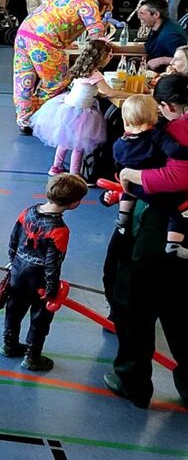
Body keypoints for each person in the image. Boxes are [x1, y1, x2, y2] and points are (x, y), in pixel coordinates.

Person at [101, 78, 188, 409]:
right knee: (179, 307)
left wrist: (132, 177)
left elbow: (177, 176)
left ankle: (132, 380)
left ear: (166, 108)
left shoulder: (176, 132)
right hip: (179, 225)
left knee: (135, 303)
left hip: (157, 222)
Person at [0, 173, 88, 371]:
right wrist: (51, 290)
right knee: (39, 320)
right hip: (38, 280)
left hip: (18, 272)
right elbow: (52, 263)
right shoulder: (60, 230)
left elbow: (14, 239)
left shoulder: (27, 212)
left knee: (13, 311)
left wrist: (12, 262)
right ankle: (32, 357)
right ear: (74, 203)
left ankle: (9, 345)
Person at [14, 0, 115, 133]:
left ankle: (23, 118)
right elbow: (96, 35)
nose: (111, 3)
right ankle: (37, 117)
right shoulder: (89, 3)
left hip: (25, 33)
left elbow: (55, 17)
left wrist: (65, 41)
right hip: (45, 42)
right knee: (57, 81)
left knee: (24, 78)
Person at [101, 94, 188, 257]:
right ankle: (173, 245)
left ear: (126, 122)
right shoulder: (157, 135)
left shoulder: (120, 143)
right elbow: (174, 151)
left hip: (134, 186)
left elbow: (119, 166)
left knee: (128, 193)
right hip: (154, 188)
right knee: (177, 212)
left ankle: (122, 219)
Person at [32, 39, 129, 175]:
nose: (110, 58)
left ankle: (56, 166)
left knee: (64, 140)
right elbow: (109, 92)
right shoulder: (96, 74)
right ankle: (74, 173)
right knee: (79, 145)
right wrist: (130, 94)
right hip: (80, 113)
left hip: (67, 107)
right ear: (102, 57)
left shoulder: (82, 68)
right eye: (109, 55)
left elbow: (90, 89)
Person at [136, 0, 188, 71]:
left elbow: (184, 60)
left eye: (142, 13)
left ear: (156, 15)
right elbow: (147, 47)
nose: (139, 17)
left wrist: (162, 60)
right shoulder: (156, 27)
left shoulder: (170, 35)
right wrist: (119, 48)